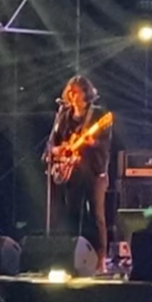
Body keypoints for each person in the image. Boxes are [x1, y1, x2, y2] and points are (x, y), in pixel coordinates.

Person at [45, 74, 113, 264]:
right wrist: (61, 149)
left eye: (77, 92)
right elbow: (53, 144)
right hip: (73, 173)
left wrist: (93, 141)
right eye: (71, 92)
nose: (73, 96)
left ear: (86, 93)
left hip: (94, 172)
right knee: (73, 213)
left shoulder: (99, 115)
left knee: (97, 216)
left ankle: (100, 259)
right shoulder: (64, 116)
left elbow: (106, 143)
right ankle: (74, 257)